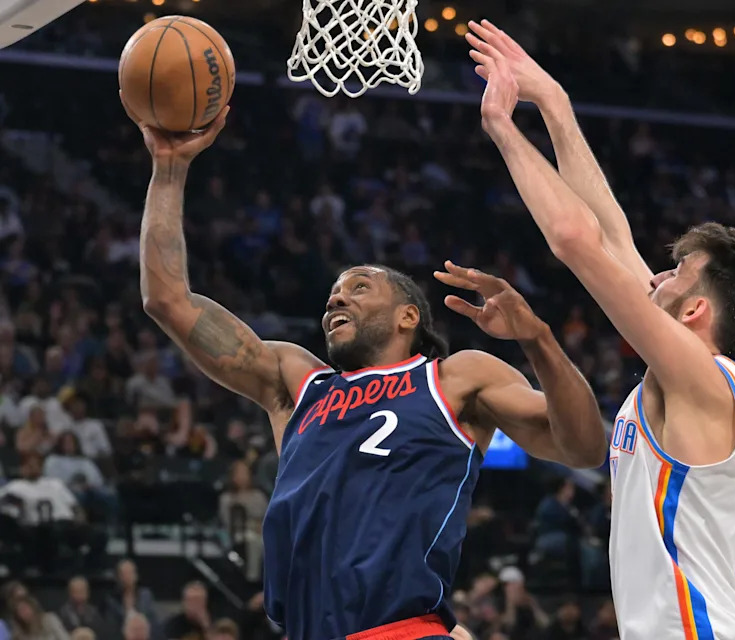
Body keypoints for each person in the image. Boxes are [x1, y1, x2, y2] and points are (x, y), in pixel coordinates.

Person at [121, 94, 606, 640]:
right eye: (333, 292)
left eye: (358, 288)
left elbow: (584, 448)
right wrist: (168, 168)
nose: (336, 298)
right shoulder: (297, 383)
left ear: (407, 317)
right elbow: (167, 301)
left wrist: (539, 339)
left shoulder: (454, 378)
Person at [466, 20, 735, 639]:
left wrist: (503, 128)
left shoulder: (703, 380)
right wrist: (554, 104)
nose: (656, 275)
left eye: (676, 273)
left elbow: (575, 240)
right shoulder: (691, 372)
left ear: (695, 311)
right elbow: (609, 230)